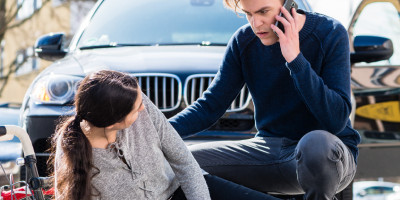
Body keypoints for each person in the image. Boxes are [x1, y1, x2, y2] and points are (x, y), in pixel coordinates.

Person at [168, 0, 361, 199]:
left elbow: (335, 120)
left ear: (288, 5)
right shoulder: (243, 41)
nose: (256, 23)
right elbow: (209, 107)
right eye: (248, 14)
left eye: (263, 12)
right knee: (175, 164)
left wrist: (295, 59)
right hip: (269, 150)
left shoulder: (330, 32)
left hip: (327, 155)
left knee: (314, 144)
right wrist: (154, 133)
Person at [50, 70, 210, 200]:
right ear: (114, 124)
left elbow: (184, 162)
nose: (143, 108)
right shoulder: (72, 153)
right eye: (137, 108)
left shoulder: (135, 98)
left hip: (179, 189)